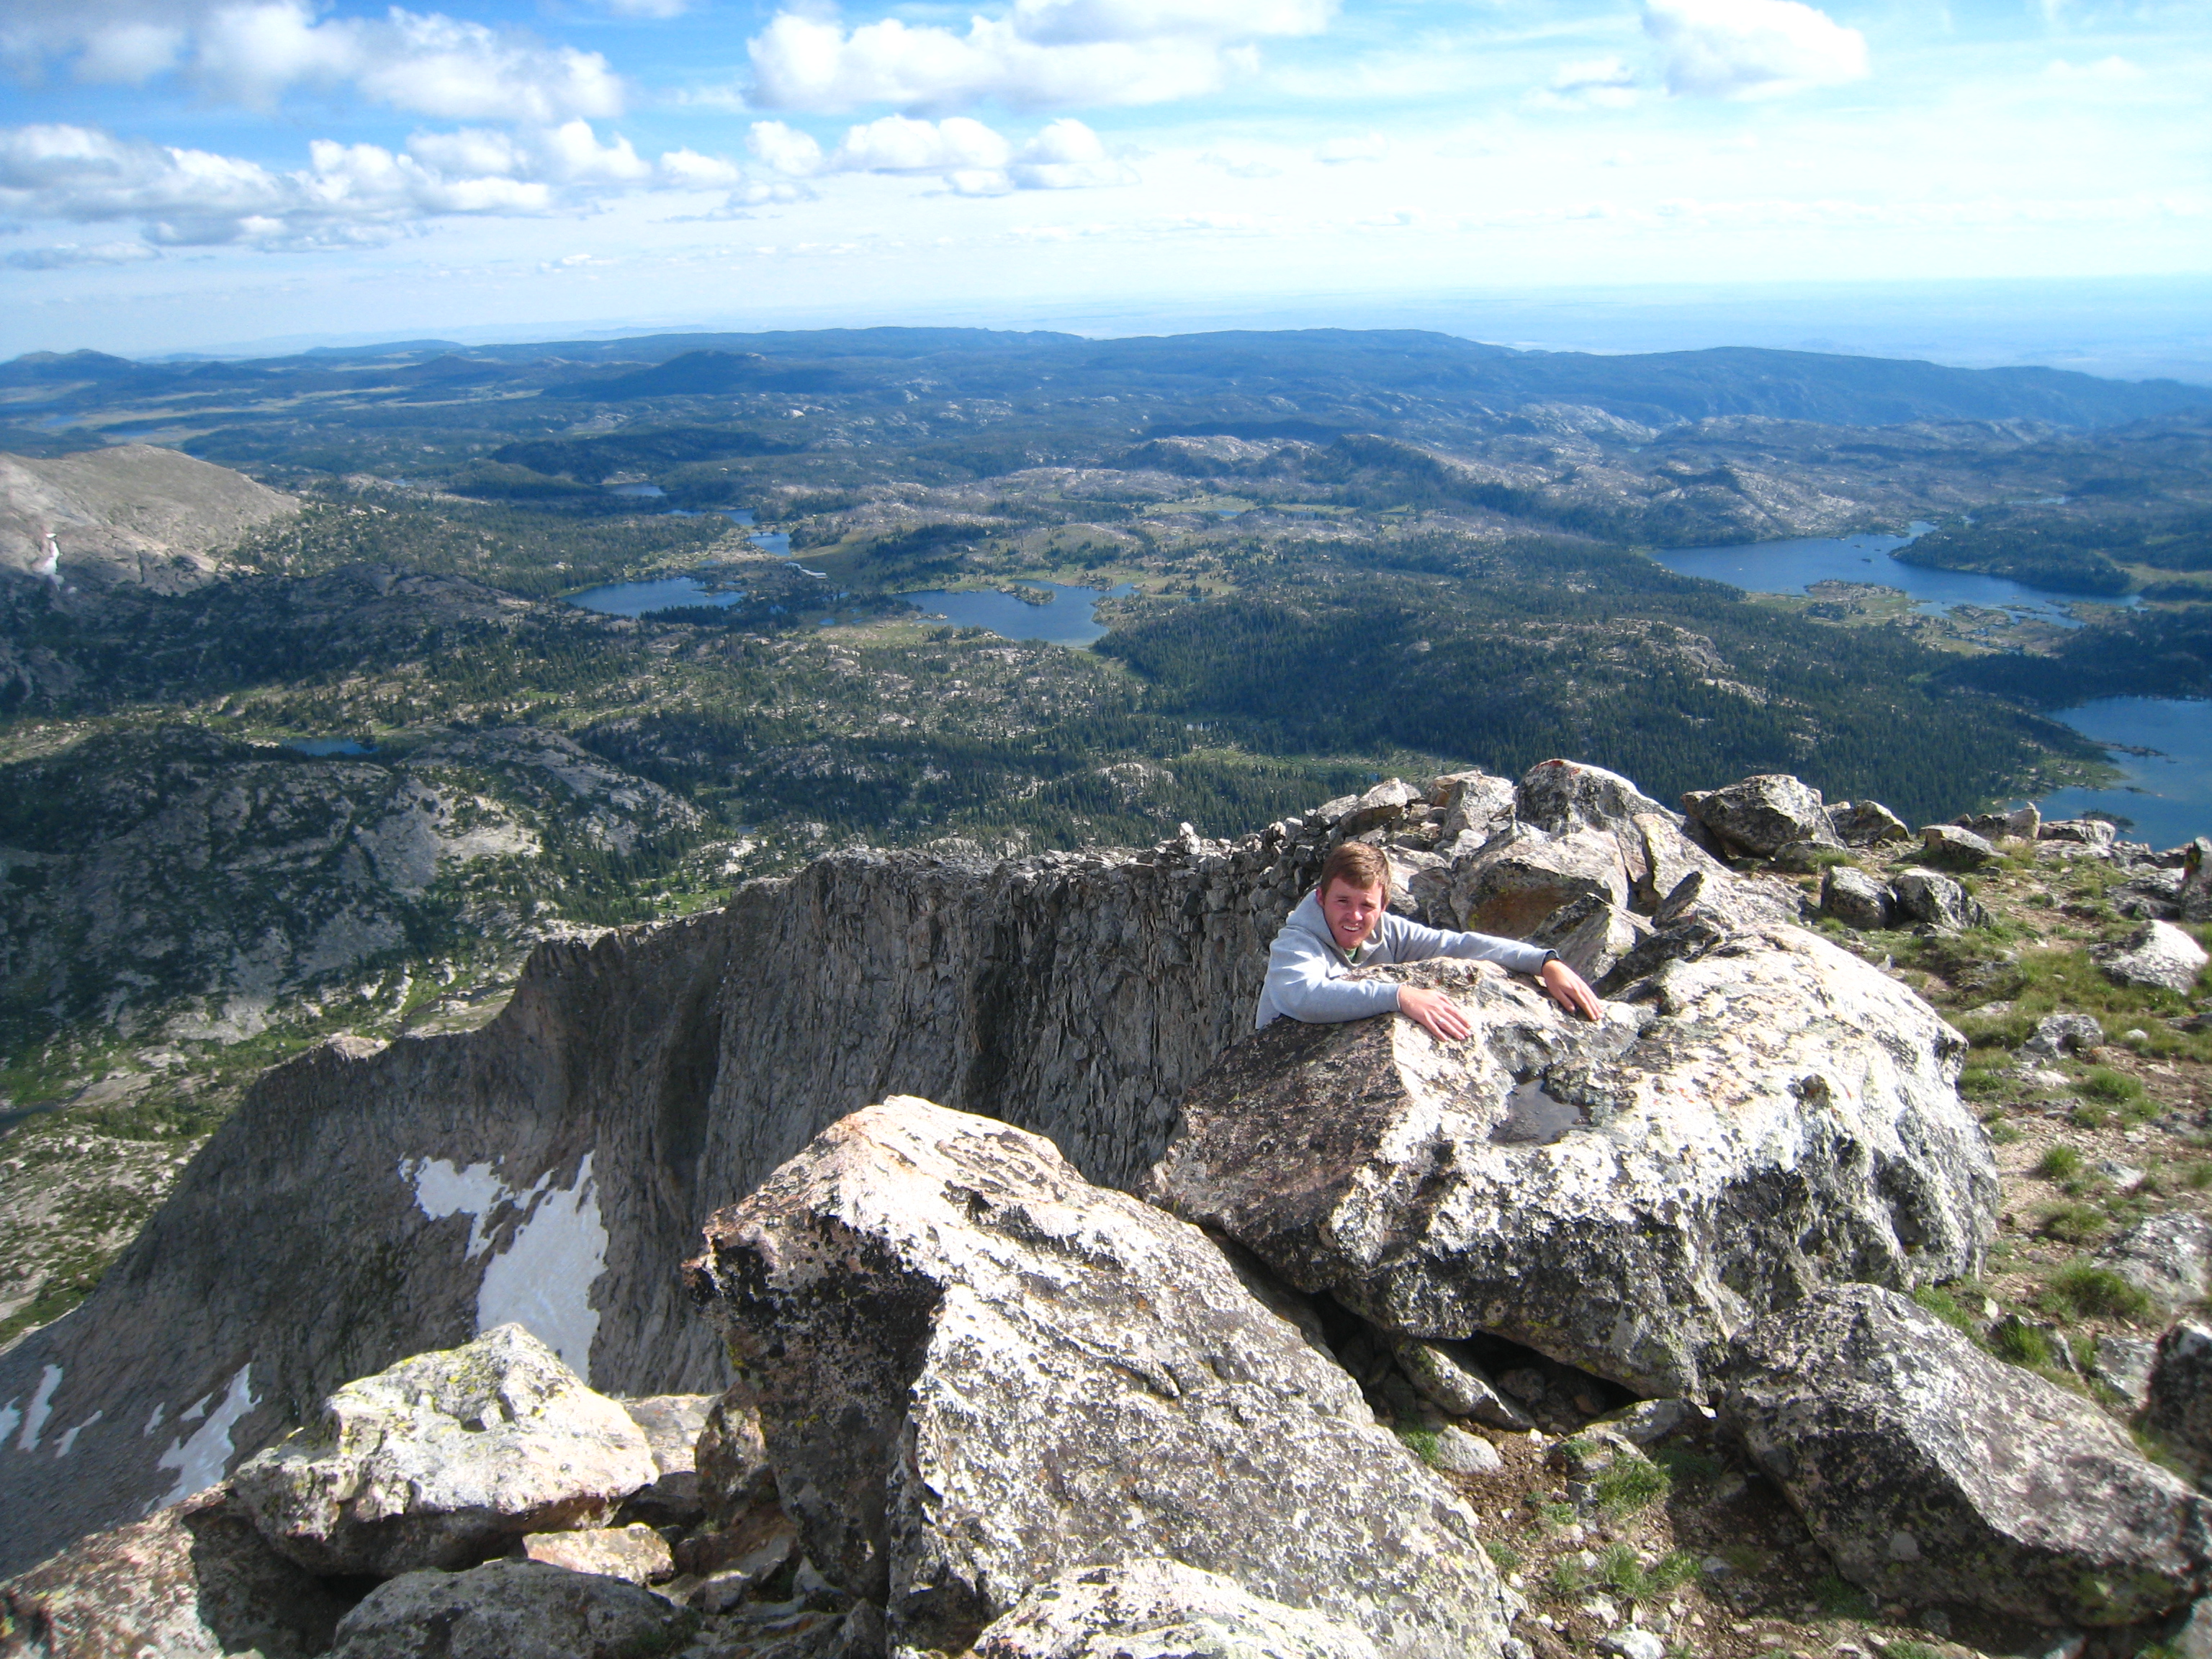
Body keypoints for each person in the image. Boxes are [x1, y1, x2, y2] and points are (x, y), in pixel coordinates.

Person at [1256, 842, 1604, 1040]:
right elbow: (1301, 996)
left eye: (1367, 905)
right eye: (1342, 901)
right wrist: (1399, 996)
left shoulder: (1389, 931)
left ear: (1384, 907)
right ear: (1321, 898)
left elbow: (1458, 945)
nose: (1355, 916)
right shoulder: (1297, 942)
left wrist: (1543, 962)